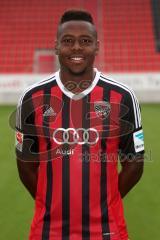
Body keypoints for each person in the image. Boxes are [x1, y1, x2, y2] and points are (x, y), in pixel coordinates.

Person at [15, 9, 144, 240]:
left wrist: (104, 202)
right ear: (56, 46)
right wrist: (51, 202)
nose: (76, 48)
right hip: (48, 231)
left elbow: (134, 165)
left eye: (85, 41)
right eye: (68, 41)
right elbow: (25, 165)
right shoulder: (32, 98)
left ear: (96, 46)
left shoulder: (122, 96)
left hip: (107, 231)